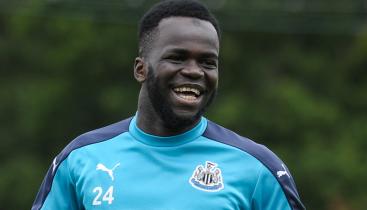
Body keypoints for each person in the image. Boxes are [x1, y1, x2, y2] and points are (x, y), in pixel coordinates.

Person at [32, 0, 306, 209]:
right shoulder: (81, 159)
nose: (194, 71)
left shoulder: (257, 169)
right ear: (141, 69)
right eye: (177, 58)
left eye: (208, 62)